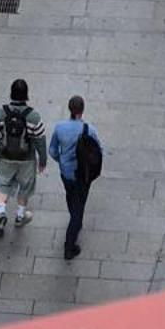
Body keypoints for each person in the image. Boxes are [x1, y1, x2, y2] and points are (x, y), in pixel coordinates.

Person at [0, 78, 47, 238]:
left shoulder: (1, 113)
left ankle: (1, 212)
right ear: (26, 94)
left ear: (11, 93)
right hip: (26, 160)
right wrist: (43, 160)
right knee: (25, 187)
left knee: (3, 184)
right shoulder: (33, 116)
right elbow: (40, 139)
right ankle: (20, 217)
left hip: (5, 157)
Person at [49, 95, 103, 260]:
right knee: (79, 206)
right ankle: (69, 245)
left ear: (69, 109)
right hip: (83, 174)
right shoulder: (89, 130)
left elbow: (52, 151)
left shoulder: (59, 128)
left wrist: (62, 161)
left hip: (66, 173)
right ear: (82, 110)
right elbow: (99, 150)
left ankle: (74, 214)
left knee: (70, 195)